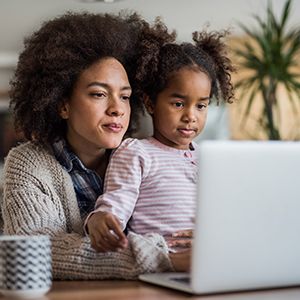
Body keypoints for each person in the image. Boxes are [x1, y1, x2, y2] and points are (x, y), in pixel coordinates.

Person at [0, 11, 191, 280]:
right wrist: (164, 258)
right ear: (62, 103)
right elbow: (38, 250)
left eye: (125, 97)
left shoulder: (144, 155)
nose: (117, 109)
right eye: (99, 94)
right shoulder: (27, 164)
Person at [86, 30, 235, 252]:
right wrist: (98, 220)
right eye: (178, 104)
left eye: (201, 105)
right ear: (150, 103)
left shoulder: (211, 158)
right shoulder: (136, 152)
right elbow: (116, 204)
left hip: (212, 260)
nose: (190, 116)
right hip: (162, 264)